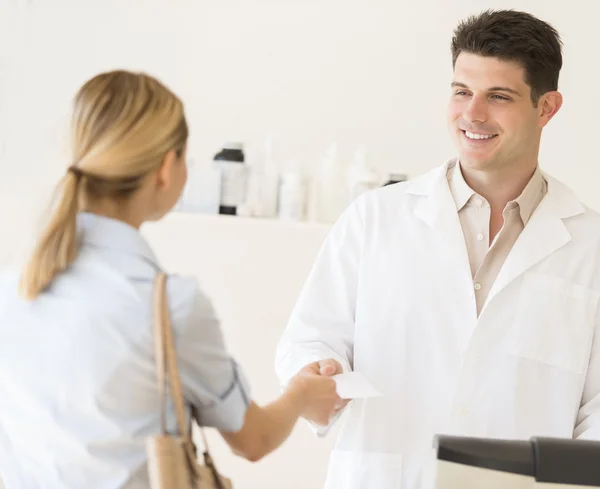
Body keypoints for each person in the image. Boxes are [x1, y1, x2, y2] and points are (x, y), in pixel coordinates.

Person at [275, 9, 600, 489]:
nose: (473, 114)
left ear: (547, 107)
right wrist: (319, 371)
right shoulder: (374, 219)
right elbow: (310, 339)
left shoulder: (590, 246)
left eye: (499, 96)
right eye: (462, 91)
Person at [0, 70, 342, 489]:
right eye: (184, 158)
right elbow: (254, 439)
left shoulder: (14, 282)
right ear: (166, 168)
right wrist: (302, 396)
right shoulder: (169, 306)